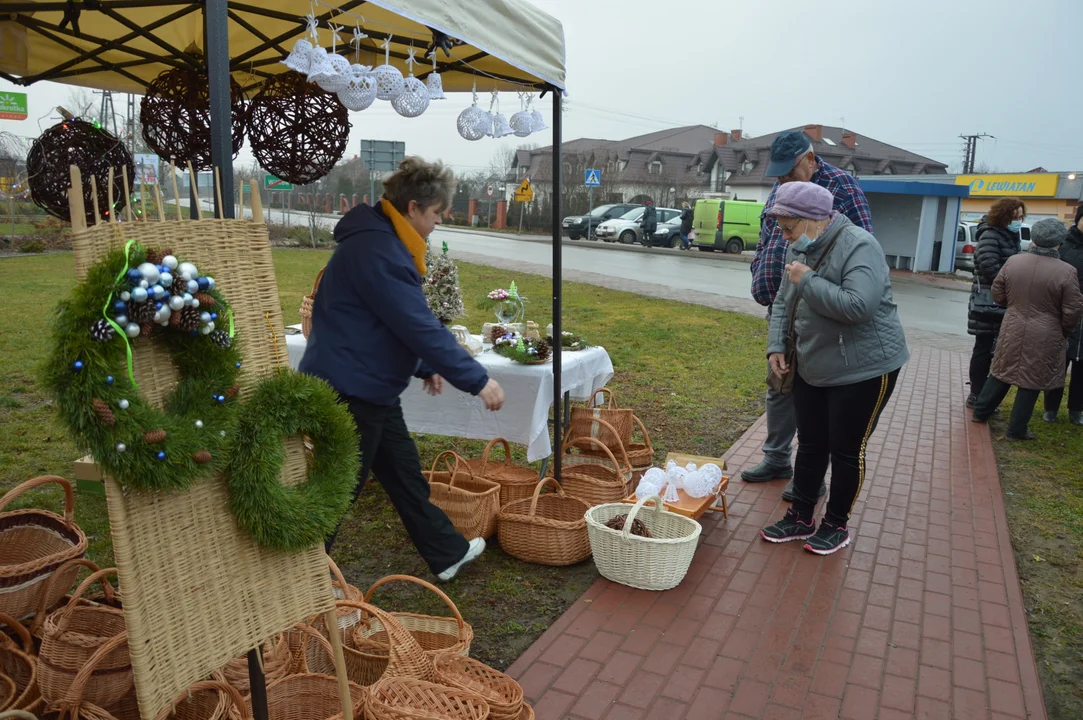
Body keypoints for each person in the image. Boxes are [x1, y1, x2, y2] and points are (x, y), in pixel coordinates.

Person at [299, 157, 506, 582]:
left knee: (405, 476)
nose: (436, 225)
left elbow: (387, 322)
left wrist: (427, 364)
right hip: (352, 390)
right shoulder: (379, 250)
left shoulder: (381, 241)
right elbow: (417, 323)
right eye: (436, 215)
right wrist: (477, 379)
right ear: (413, 208)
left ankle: (446, 552)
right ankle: (301, 577)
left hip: (369, 385)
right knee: (337, 492)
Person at [759, 182, 909, 555]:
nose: (783, 233)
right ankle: (801, 516)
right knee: (810, 443)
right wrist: (777, 345)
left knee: (845, 449)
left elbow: (858, 307)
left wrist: (807, 279)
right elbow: (782, 299)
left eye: (787, 225)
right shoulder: (800, 245)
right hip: (814, 361)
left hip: (865, 368)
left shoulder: (859, 245)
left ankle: (835, 524)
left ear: (814, 219)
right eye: (779, 225)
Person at [745, 130, 874, 503]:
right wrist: (760, 267)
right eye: (778, 175)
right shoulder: (782, 188)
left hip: (819, 306)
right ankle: (776, 458)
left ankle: (810, 474)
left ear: (812, 159)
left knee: (811, 394)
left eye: (790, 172)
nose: (783, 180)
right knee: (779, 382)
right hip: (781, 302)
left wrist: (814, 283)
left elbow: (863, 246)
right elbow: (767, 235)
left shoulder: (842, 187)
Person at [971, 219, 1083, 439]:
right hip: (1047, 331)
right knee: (1032, 380)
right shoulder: (1066, 272)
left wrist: (1013, 307)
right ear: (1058, 242)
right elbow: (1072, 309)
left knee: (1001, 370)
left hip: (1013, 323)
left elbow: (998, 293)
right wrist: (1065, 330)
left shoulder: (1014, 261)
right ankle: (1016, 430)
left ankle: (980, 412)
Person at [966, 197, 1026, 407]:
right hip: (989, 302)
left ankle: (984, 395)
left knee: (994, 350)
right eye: (1014, 216)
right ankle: (976, 394)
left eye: (1020, 216)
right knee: (983, 348)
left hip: (1001, 301)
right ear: (1003, 216)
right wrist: (1013, 287)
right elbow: (990, 267)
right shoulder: (991, 235)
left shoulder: (1009, 235)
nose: (1018, 220)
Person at [1043, 205, 1083, 425]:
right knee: (1058, 362)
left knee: (1082, 367)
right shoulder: (1063, 247)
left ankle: (1076, 408)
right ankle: (1051, 408)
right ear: (1078, 220)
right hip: (1063, 313)